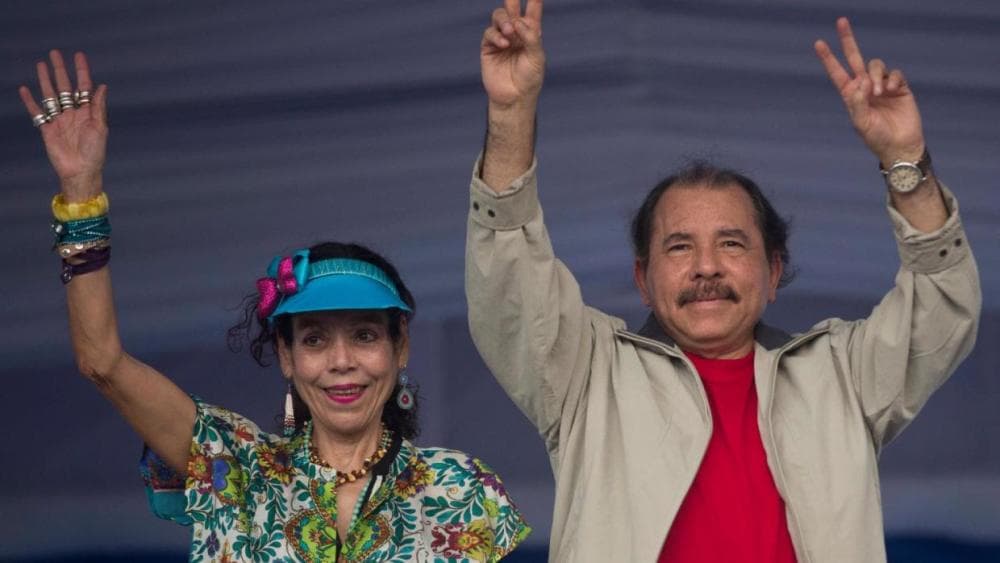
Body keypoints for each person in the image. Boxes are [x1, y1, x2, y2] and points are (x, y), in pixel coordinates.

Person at [466, 1, 981, 562]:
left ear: (773, 272)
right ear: (643, 278)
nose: (706, 267)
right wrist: (512, 115)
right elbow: (510, 279)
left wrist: (905, 162)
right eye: (679, 246)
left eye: (731, 244)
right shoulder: (588, 374)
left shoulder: (843, 374)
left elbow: (942, 302)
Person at [20, 50, 529, 562]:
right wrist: (81, 193)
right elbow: (102, 363)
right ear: (285, 357)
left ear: (401, 348)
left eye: (366, 335)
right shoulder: (236, 470)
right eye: (313, 339)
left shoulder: (460, 491)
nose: (341, 361)